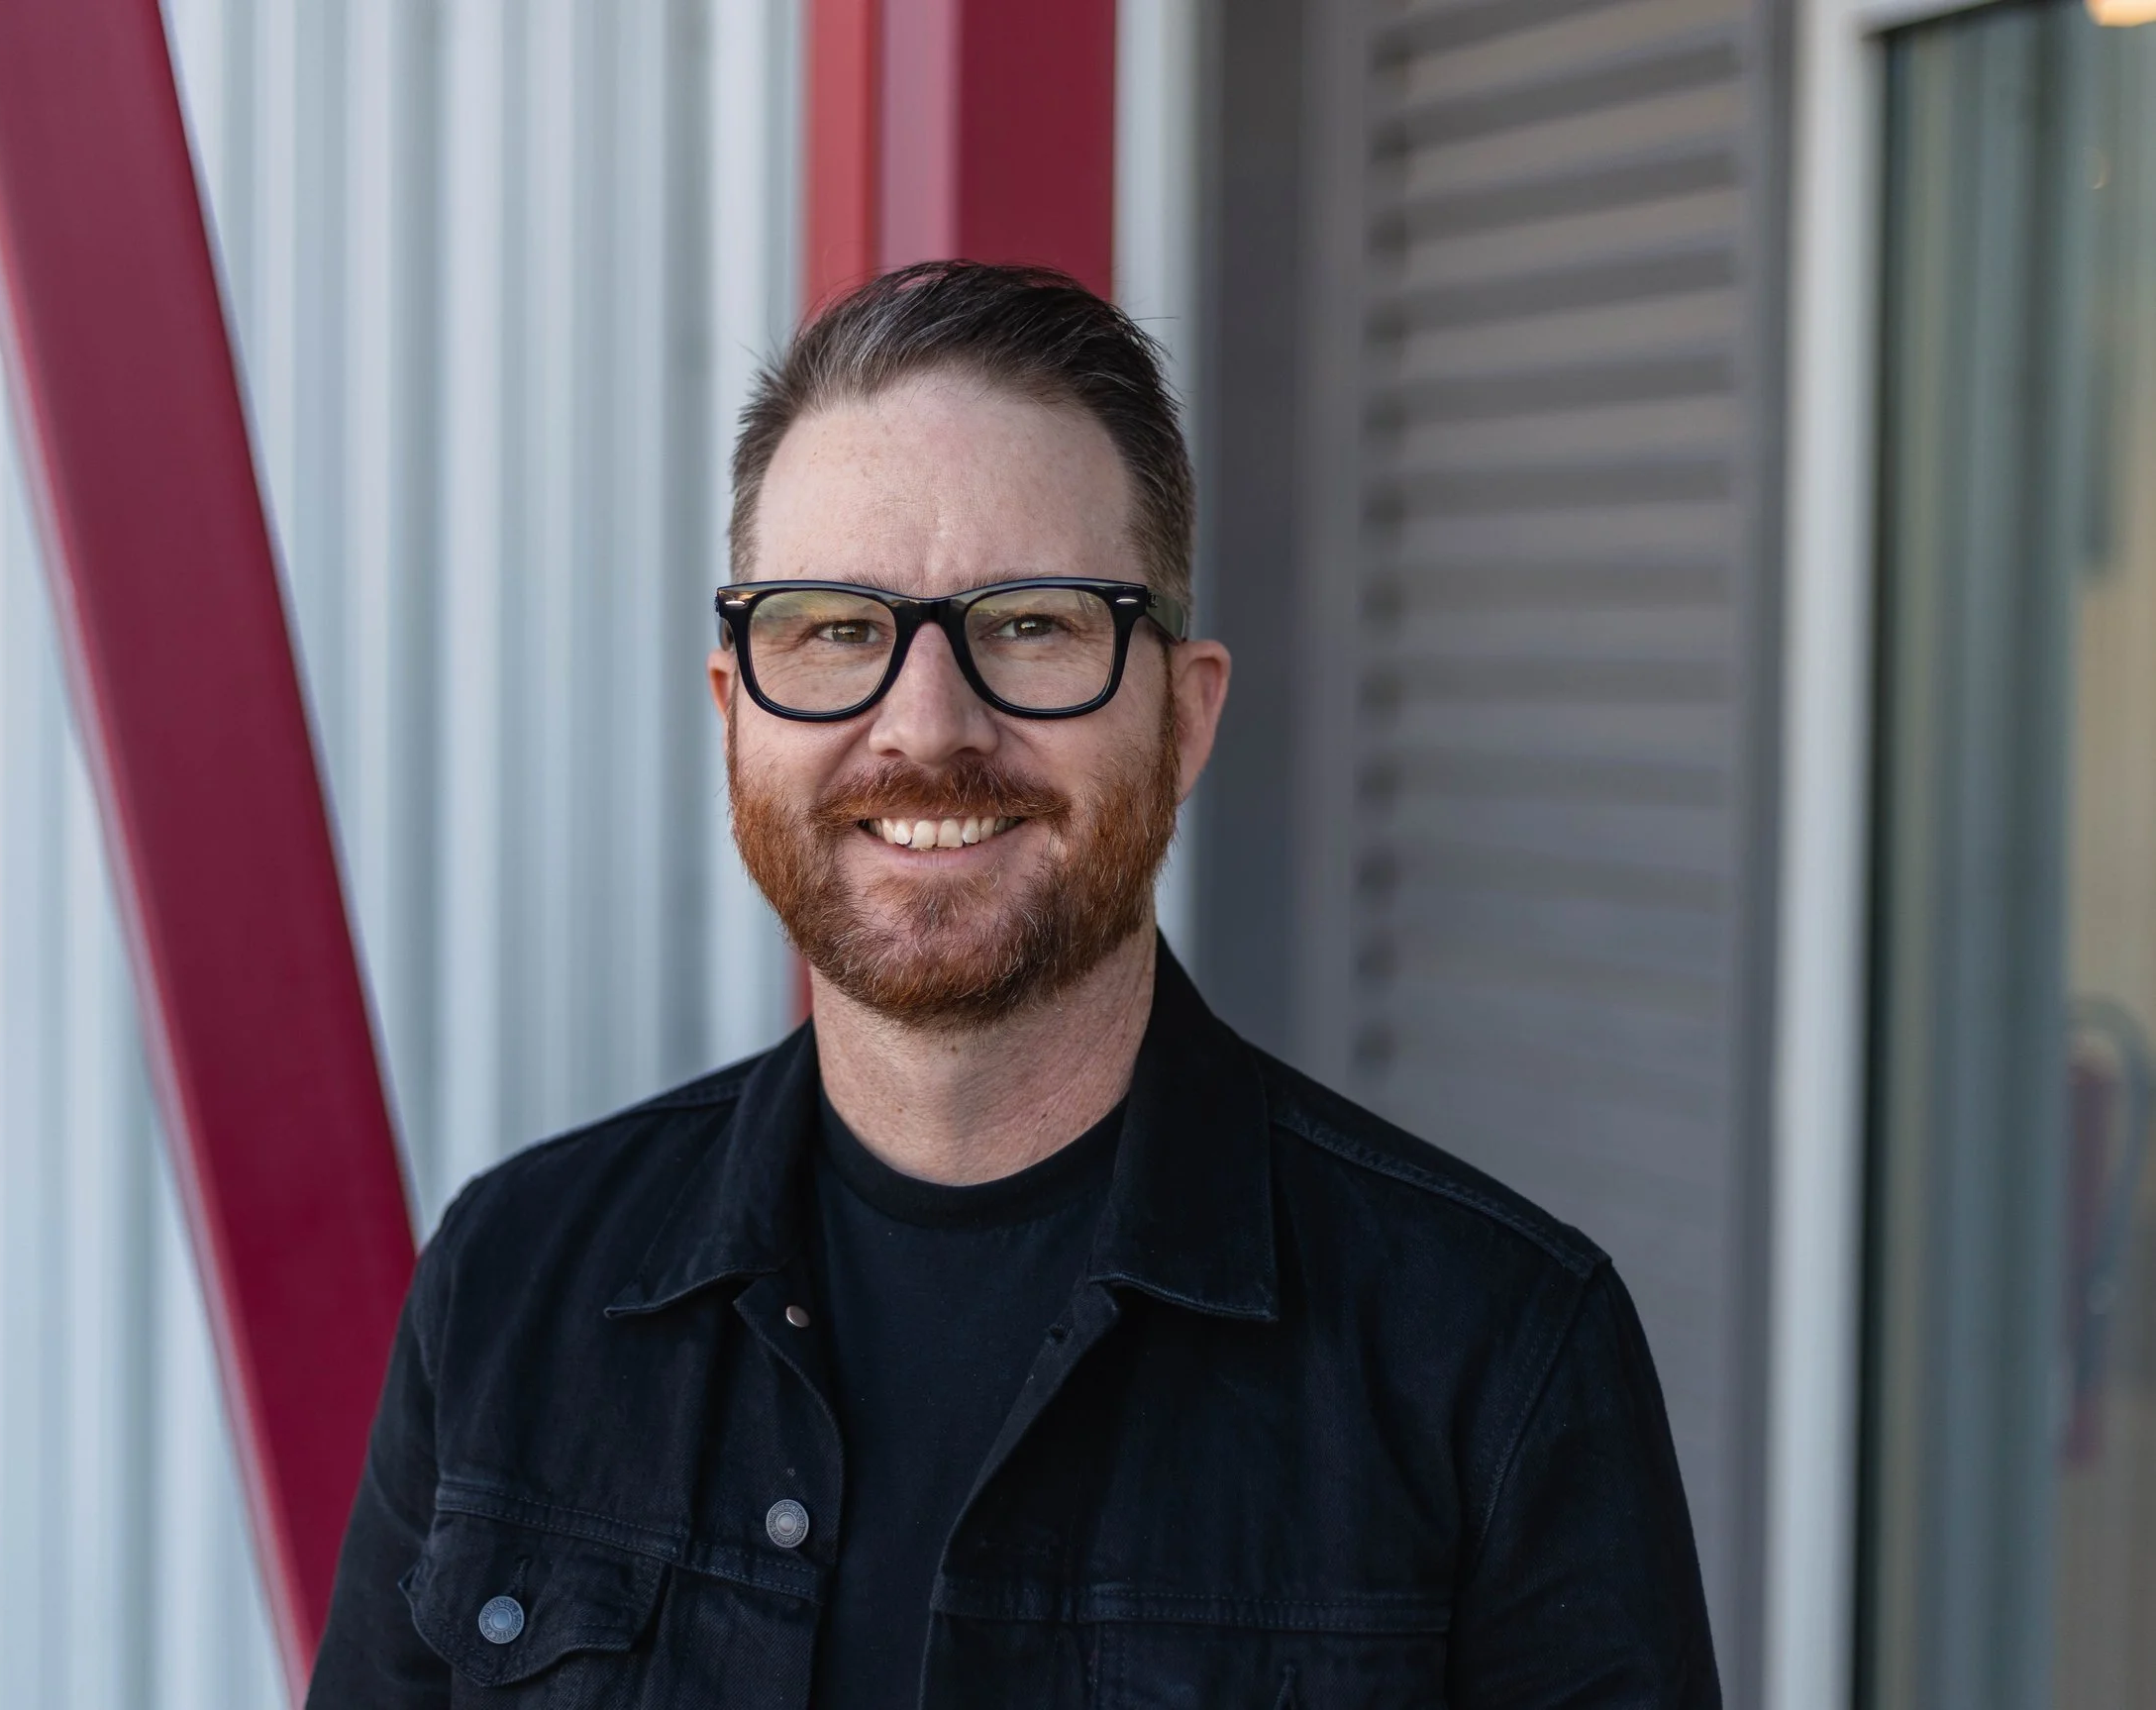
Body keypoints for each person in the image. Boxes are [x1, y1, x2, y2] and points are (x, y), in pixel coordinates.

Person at [307, 261, 1718, 1708]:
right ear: (735, 714)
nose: (927, 726)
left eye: (1033, 623)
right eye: (836, 629)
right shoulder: (512, 1289)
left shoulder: (1493, 1356)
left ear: (1185, 720)